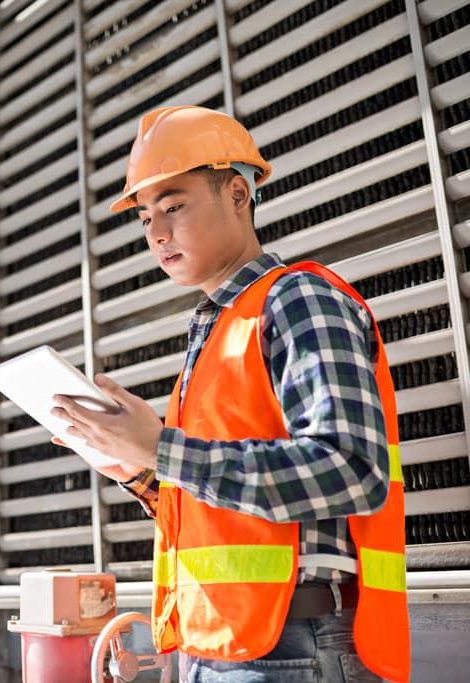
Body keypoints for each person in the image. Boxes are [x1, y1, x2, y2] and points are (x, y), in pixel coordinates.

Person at [50, 106, 409, 682]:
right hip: (226, 646)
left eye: (173, 206)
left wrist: (163, 450)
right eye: (145, 217)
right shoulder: (218, 329)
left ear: (238, 194)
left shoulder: (297, 300)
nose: (157, 233)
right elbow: (219, 512)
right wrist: (136, 469)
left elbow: (352, 469)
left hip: (296, 646)